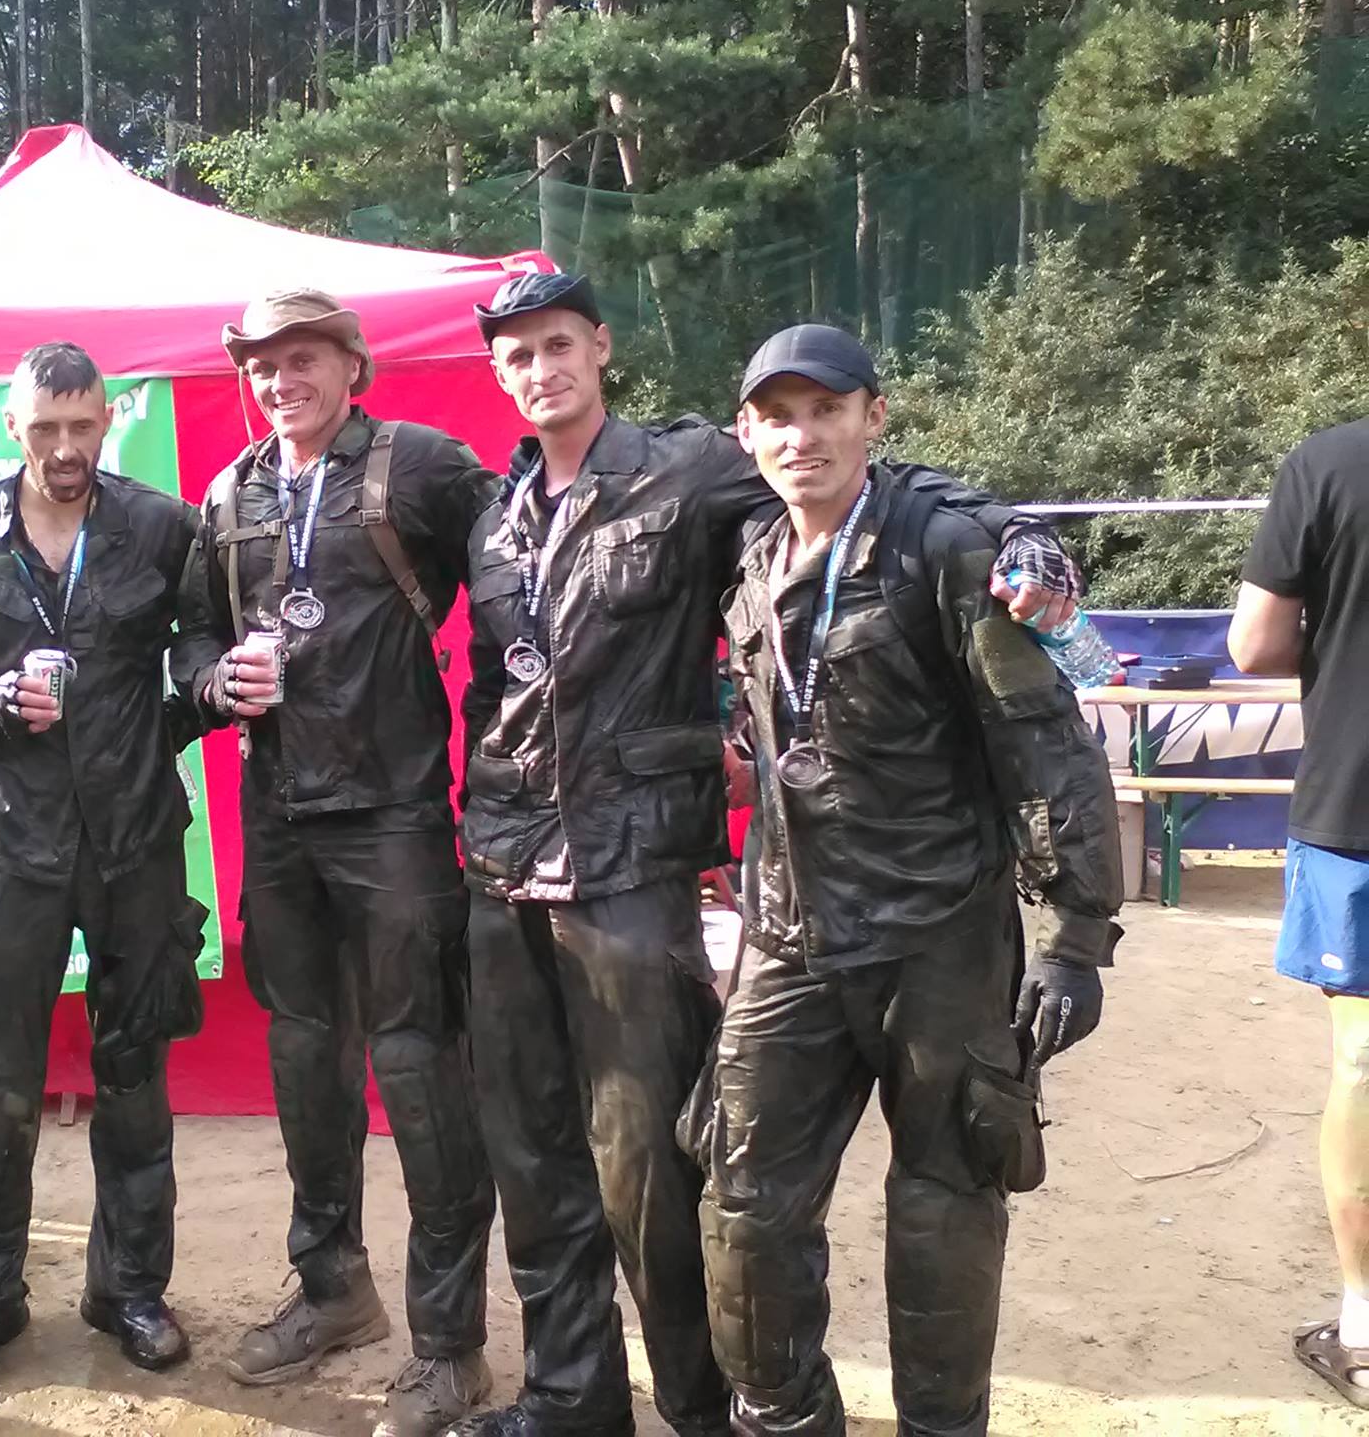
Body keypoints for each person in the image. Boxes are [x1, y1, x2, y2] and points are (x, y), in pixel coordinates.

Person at [453, 280, 1083, 1437]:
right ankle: (610, 1402)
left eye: (558, 345)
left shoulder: (700, 476)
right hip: (587, 880)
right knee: (625, 1177)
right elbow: (506, 678)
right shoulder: (507, 515)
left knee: (700, 1174)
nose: (539, 368)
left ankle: (731, 1410)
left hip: (707, 881)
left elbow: (871, 498)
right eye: (515, 353)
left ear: (600, 349)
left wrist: (1011, 528)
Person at [696, 323, 1123, 1436]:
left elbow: (1046, 741)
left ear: (872, 417)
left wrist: (1076, 936)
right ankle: (785, 1419)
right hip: (790, 935)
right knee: (743, 1203)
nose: (802, 437)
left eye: (826, 410)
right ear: (745, 433)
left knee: (944, 1207)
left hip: (938, 936)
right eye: (777, 417)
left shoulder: (946, 549)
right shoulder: (750, 551)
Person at [170, 289, 499, 1437]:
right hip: (276, 814)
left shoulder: (420, 465)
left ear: (351, 365)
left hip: (394, 813)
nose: (279, 379)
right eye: (261, 364)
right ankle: (331, 1290)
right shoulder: (229, 492)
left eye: (301, 357)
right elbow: (193, 635)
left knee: (417, 1063)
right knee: (306, 1055)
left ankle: (448, 1348)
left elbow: (521, 562)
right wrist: (214, 681)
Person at [0, 342, 209, 1394]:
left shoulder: (161, 527)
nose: (65, 448)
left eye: (83, 425)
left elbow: (200, 655)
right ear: (11, 425)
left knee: (134, 1074)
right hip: (9, 846)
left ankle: (130, 1292)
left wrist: (190, 706)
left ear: (108, 420)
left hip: (135, 840)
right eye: (45, 428)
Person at [1228, 415, 1369, 1408]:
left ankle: (1365, 1328)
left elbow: (1254, 643)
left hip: (1358, 806)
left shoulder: (1329, 462)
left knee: (1365, 1064)